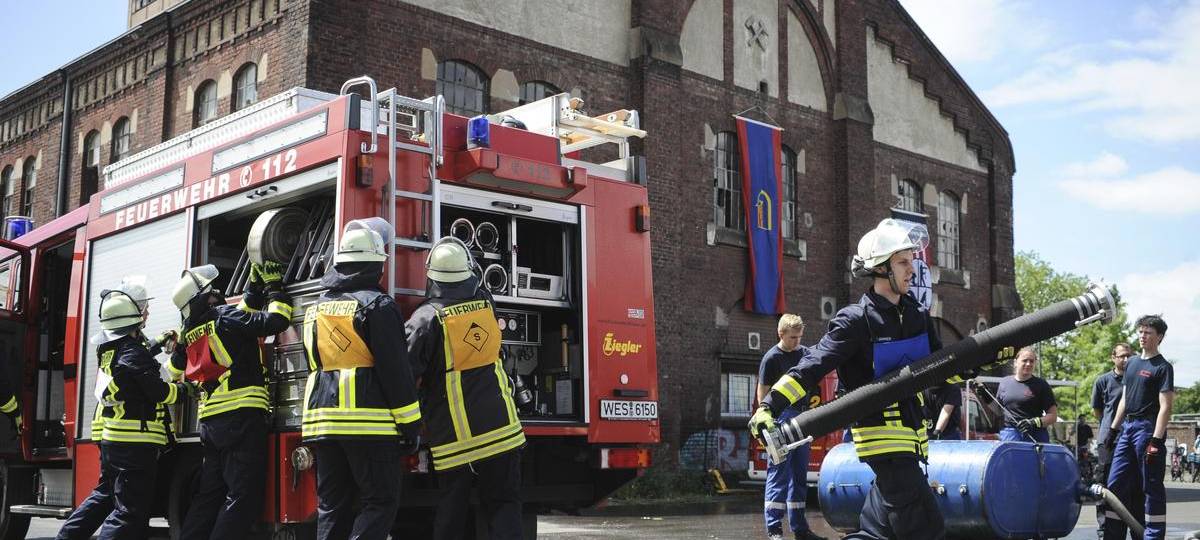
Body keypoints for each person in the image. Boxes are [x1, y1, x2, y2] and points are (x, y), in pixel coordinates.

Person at [749, 218, 947, 540]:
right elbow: (812, 365)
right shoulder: (856, 320)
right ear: (881, 269)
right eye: (902, 262)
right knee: (927, 528)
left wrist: (985, 358)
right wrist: (769, 406)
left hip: (914, 440)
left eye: (912, 261)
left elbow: (943, 368)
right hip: (883, 441)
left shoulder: (917, 316)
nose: (912, 269)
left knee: (879, 532)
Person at [302, 218, 422, 540]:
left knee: (331, 505)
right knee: (380, 501)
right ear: (373, 266)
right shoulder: (378, 306)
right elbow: (396, 372)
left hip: (322, 424)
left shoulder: (316, 308)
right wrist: (411, 426)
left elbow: (312, 361)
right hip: (368, 424)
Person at [406, 236, 525, 540]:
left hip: (455, 439)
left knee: (451, 511)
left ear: (431, 275)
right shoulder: (486, 307)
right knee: (504, 506)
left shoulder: (425, 319)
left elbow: (405, 372)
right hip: (502, 431)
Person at [57, 288, 196, 540]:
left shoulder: (109, 349)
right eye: (141, 312)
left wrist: (157, 343)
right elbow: (159, 392)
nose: (146, 314)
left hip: (115, 441)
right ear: (133, 319)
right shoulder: (133, 353)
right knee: (128, 513)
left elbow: (137, 358)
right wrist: (186, 389)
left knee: (104, 496)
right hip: (134, 444)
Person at [168, 262, 293, 540]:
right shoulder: (225, 318)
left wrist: (253, 288)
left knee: (209, 497)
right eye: (214, 291)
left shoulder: (190, 334)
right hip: (241, 419)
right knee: (242, 497)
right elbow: (275, 321)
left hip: (211, 425)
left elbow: (174, 369)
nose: (218, 294)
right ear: (206, 296)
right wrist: (275, 287)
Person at [1103, 315, 1173, 540]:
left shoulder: (1163, 367)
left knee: (1150, 485)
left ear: (1159, 337)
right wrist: (1113, 430)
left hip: (1147, 429)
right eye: (1141, 331)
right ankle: (1113, 534)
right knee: (1115, 484)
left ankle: (1153, 535)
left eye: (1148, 332)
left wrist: (1155, 440)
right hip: (1128, 428)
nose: (1142, 336)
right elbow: (1125, 398)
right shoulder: (1131, 363)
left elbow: (1165, 407)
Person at [756, 314, 824, 540]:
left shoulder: (804, 354)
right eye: (793, 337)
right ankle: (774, 529)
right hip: (780, 418)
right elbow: (763, 393)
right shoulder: (771, 358)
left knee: (799, 475)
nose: (797, 342)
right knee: (778, 474)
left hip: (801, 417)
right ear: (781, 334)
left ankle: (800, 528)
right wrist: (767, 420)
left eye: (799, 337)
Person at [1091, 342, 1130, 539]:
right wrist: (1107, 428)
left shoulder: (1135, 379)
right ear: (1112, 357)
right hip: (1108, 440)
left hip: (1130, 439)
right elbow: (1097, 410)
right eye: (1121, 356)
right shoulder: (1103, 381)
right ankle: (1104, 527)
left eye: (1128, 356)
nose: (1125, 359)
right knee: (1103, 484)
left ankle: (1127, 523)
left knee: (1128, 484)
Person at [996, 347, 1058, 443]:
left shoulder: (1041, 384)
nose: (1028, 364)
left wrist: (1033, 422)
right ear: (1016, 362)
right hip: (1010, 435)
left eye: (1032, 361)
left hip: (1035, 435)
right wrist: (985, 396)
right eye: (1025, 360)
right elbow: (997, 410)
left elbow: (1053, 416)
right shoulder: (1004, 382)